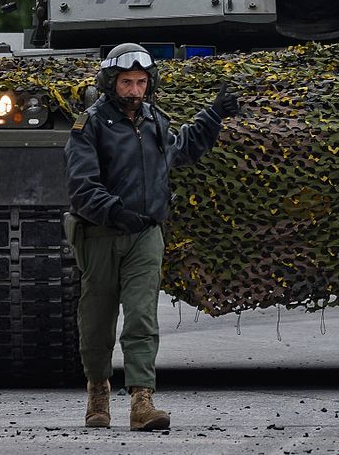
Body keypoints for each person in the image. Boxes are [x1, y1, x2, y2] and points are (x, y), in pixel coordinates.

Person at [64, 42, 239, 431]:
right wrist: (113, 210)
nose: (135, 91)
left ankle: (142, 400)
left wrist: (213, 115)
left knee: (141, 317)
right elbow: (81, 185)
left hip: (145, 234)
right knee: (96, 323)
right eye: (127, 82)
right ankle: (98, 391)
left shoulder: (154, 122)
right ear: (111, 83)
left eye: (141, 82)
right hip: (101, 235)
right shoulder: (90, 126)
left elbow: (180, 150)